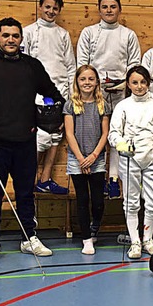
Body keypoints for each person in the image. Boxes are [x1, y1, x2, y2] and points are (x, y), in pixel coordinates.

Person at [0, 17, 65, 264]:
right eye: (5, 35)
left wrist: (50, 113)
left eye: (15, 36)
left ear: (21, 38)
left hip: (26, 141)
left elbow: (53, 94)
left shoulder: (32, 66)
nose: (10, 40)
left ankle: (29, 237)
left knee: (26, 193)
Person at [77, 0, 141, 198]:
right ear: (99, 9)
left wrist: (124, 84)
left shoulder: (128, 34)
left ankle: (113, 179)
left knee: (117, 135)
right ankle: (98, 177)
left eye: (113, 7)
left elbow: (134, 65)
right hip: (93, 92)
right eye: (105, 7)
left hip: (121, 91)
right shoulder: (88, 33)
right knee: (98, 134)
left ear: (119, 10)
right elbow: (82, 64)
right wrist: (92, 84)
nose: (109, 10)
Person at [108, 66, 153, 259]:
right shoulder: (123, 106)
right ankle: (135, 241)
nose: (139, 86)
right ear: (128, 84)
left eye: (143, 82)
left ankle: (148, 239)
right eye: (135, 82)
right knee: (131, 203)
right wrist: (121, 144)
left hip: (152, 159)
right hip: (129, 160)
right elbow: (113, 133)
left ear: (148, 83)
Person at [22, 0, 76, 195]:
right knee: (40, 139)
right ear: (40, 7)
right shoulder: (28, 32)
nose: (51, 11)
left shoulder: (62, 34)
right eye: (47, 7)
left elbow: (70, 66)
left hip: (59, 93)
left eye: (55, 8)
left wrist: (69, 98)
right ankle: (27, 181)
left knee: (55, 137)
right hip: (36, 96)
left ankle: (45, 180)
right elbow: (24, 63)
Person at [63, 65, 112, 255]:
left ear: (97, 82)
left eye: (91, 79)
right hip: (77, 158)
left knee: (98, 201)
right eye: (83, 79)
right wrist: (81, 158)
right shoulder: (71, 105)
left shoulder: (103, 105)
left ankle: (94, 227)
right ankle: (86, 239)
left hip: (96, 158)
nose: (87, 83)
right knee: (82, 199)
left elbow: (105, 133)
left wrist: (92, 157)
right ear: (77, 82)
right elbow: (69, 133)